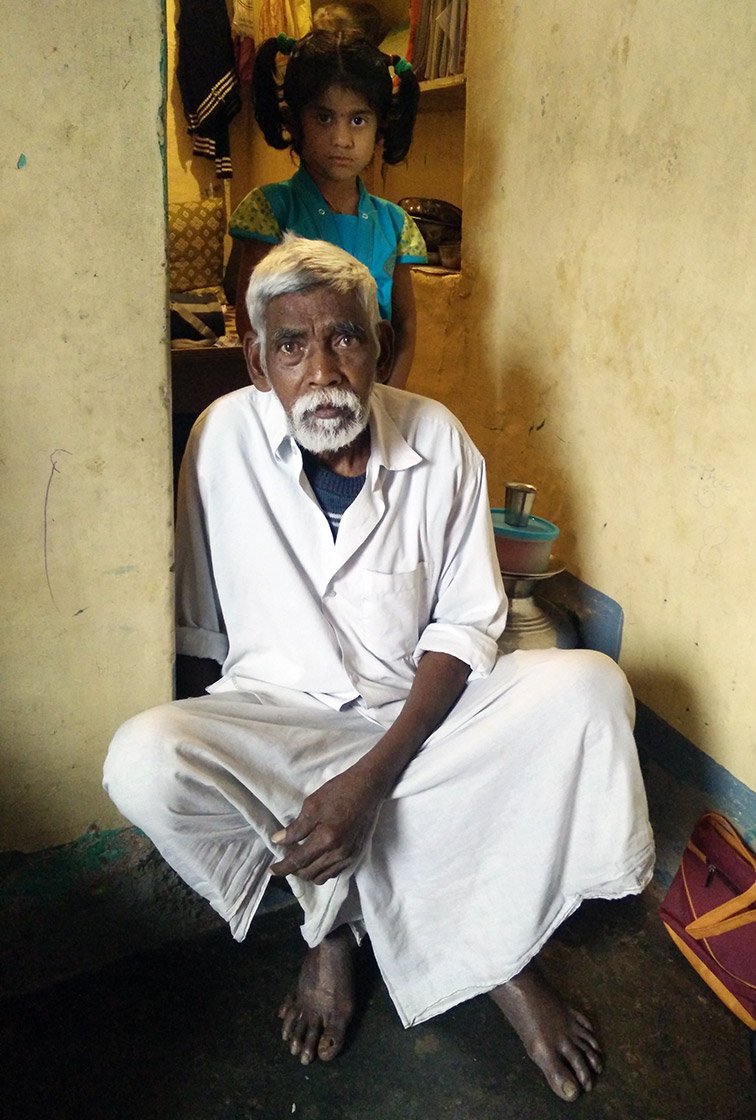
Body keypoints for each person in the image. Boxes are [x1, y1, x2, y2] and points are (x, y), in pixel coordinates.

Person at [103, 236, 654, 1103]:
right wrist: (244, 763)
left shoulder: (441, 441)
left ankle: (491, 957)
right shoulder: (219, 442)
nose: (320, 369)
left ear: (383, 347)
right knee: (143, 758)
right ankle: (337, 933)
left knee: (591, 688)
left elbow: (470, 629)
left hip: (420, 719)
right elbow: (202, 635)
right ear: (256, 361)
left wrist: (368, 782)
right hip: (280, 714)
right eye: (290, 345)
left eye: (345, 339)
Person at [228, 29, 427, 388]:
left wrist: (388, 400)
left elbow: (405, 327)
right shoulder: (270, 210)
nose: (341, 139)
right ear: (295, 121)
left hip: (373, 398)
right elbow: (250, 319)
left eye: (357, 120)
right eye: (323, 118)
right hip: (290, 398)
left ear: (380, 127)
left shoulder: (396, 225)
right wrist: (281, 397)